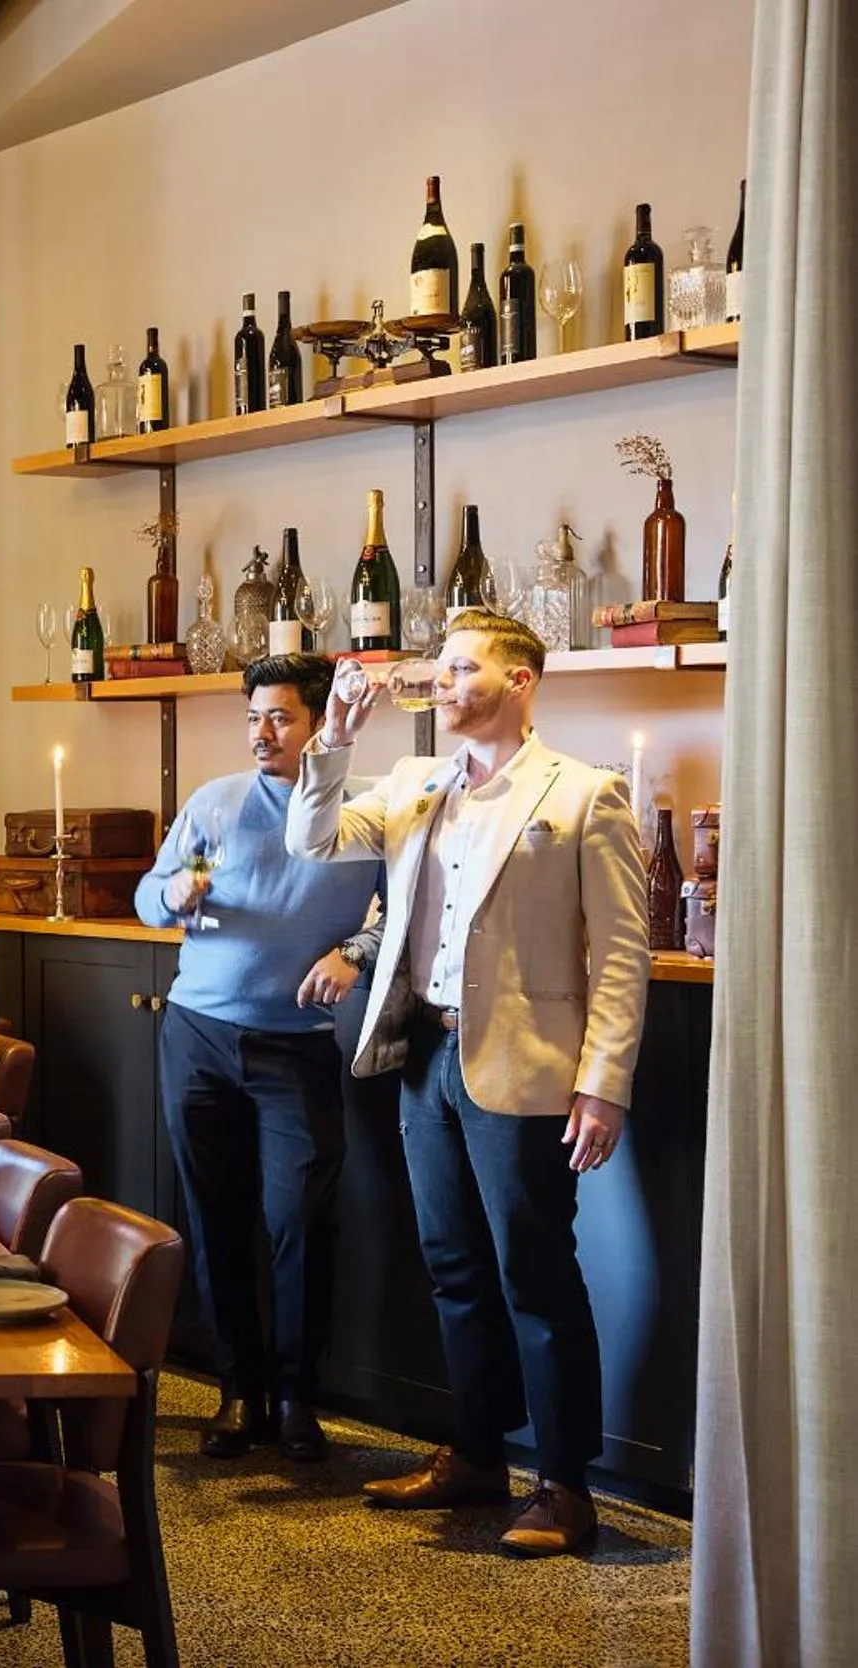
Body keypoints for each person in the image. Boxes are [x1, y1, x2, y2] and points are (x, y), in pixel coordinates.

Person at [287, 609, 648, 1557]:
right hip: (427, 1056)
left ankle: (566, 1487)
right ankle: (477, 1455)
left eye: (460, 668)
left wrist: (602, 1086)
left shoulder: (583, 795)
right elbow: (311, 840)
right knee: (452, 1268)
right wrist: (335, 734)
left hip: (526, 1067)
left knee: (535, 1274)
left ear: (520, 680)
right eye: (439, 669)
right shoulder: (415, 784)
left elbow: (620, 956)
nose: (441, 683)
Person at [133, 655, 382, 1465]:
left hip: (296, 1047)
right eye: (253, 719)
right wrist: (171, 897)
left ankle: (298, 1396)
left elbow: (406, 918)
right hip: (198, 1032)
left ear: (319, 724)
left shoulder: (363, 817)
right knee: (213, 1216)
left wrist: (355, 948)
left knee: (300, 1222)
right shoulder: (215, 803)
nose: (261, 734)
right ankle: (239, 1391)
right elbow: (148, 894)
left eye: (279, 718)